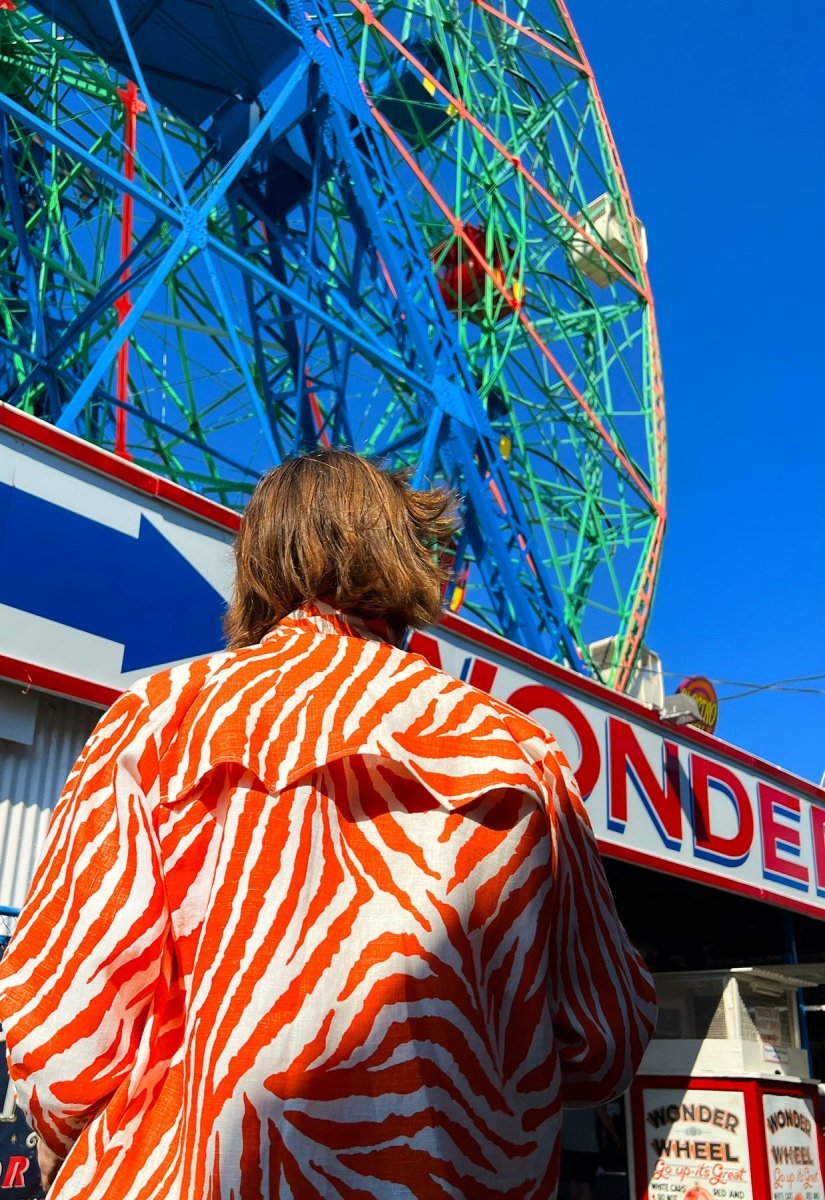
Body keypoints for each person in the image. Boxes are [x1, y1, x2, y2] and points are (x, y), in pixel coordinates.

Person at [0, 450, 656, 1199]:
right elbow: (605, 1038)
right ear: (407, 553)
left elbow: (63, 1021)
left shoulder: (155, 721)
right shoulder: (520, 752)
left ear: (252, 564)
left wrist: (66, 1152)